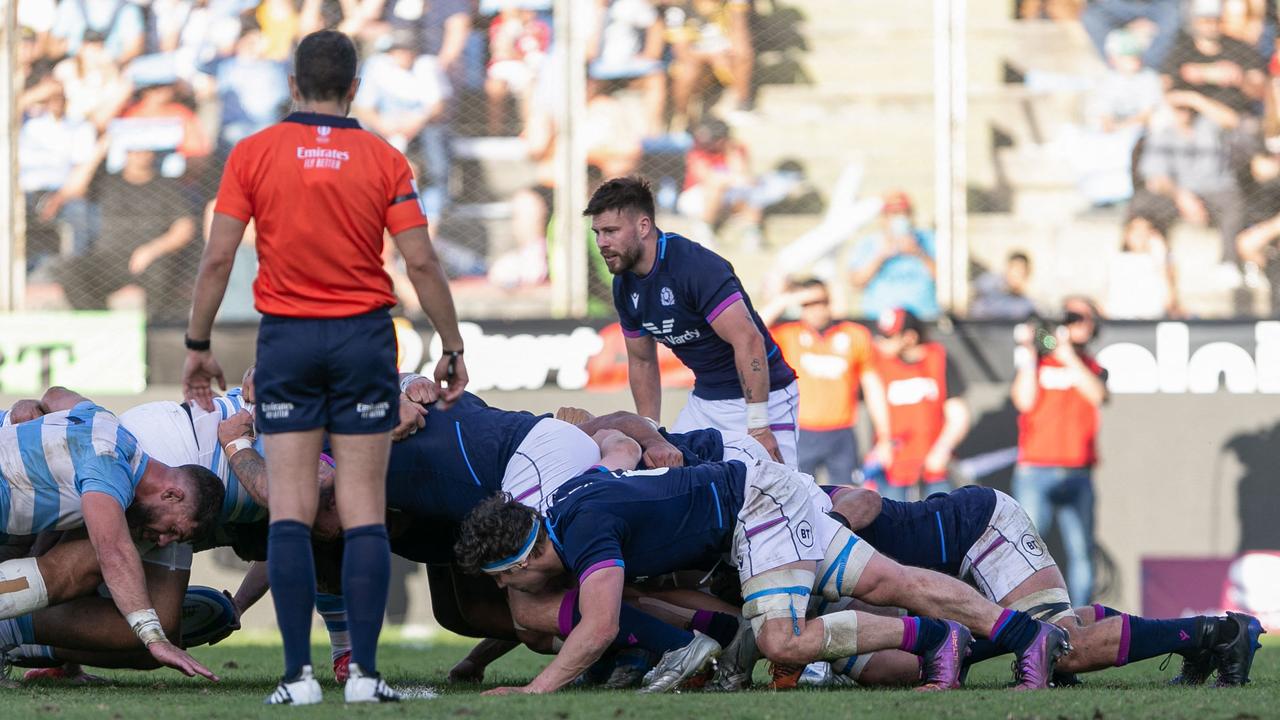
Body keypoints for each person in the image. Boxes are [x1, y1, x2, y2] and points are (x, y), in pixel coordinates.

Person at [180, 30, 469, 705]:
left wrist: (198, 342)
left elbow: (218, 257)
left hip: (287, 342)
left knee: (291, 508)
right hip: (365, 341)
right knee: (364, 510)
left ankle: (296, 679)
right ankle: (364, 677)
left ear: (292, 85)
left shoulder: (254, 153)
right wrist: (452, 345)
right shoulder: (382, 156)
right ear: (356, 88)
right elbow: (421, 261)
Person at [455, 446, 1070, 694]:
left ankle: (941, 638)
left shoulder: (582, 535)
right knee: (893, 583)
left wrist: (536, 691)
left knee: (782, 639)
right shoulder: (560, 509)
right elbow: (617, 450)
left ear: (524, 557)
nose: (507, 592)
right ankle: (1028, 638)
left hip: (757, 506)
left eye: (503, 579)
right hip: (762, 494)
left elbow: (598, 625)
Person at [822, 485, 1264, 687]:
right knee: (884, 670)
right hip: (939, 578)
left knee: (1068, 650)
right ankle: (1018, 633)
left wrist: (830, 529)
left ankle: (1220, 634)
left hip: (977, 529)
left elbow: (866, 499)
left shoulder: (792, 503)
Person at [0, 386, 221, 682]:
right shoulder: (110, 469)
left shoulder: (107, 424)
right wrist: (154, 637)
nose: (164, 540)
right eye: (172, 530)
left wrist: (33, 406)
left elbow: (55, 395)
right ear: (172, 495)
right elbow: (113, 552)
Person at [586, 176, 800, 467]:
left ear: (643, 226)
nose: (602, 243)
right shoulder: (624, 284)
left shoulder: (694, 266)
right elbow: (642, 361)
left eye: (611, 231)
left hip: (765, 399)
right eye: (597, 233)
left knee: (781, 498)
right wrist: (652, 431)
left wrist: (760, 426)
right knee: (668, 475)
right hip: (705, 401)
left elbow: (747, 340)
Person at [1011, 297, 1107, 606]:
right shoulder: (1038, 363)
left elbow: (1097, 395)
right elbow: (1023, 401)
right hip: (1035, 470)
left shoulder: (1091, 366)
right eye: (1069, 318)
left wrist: (1068, 356)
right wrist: (1028, 352)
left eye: (1081, 318)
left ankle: (1080, 620)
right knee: (1024, 551)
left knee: (1081, 551)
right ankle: (1023, 618)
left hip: (1077, 470)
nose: (1074, 324)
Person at [55, 140, 198, 323]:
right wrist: (100, 149)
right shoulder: (108, 181)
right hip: (108, 259)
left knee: (162, 272)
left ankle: (152, 333)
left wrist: (152, 250)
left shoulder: (167, 186)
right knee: (69, 269)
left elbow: (184, 227)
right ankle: (101, 326)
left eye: (144, 148)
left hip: (151, 261)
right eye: (133, 149)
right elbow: (72, 190)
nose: (139, 154)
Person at [762, 278, 889, 485]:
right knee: (798, 493)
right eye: (808, 304)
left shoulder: (855, 335)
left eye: (822, 302)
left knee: (848, 496)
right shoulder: (788, 334)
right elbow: (752, 330)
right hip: (800, 433)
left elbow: (873, 386)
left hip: (842, 432)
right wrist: (786, 300)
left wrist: (885, 435)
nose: (817, 310)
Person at [870, 308, 969, 502]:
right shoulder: (878, 363)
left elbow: (958, 414)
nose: (881, 343)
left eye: (889, 337)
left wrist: (942, 449)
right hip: (894, 468)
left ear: (910, 338)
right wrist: (883, 443)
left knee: (941, 524)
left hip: (934, 467)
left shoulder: (937, 359)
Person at [848, 191, 939, 320]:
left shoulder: (927, 239)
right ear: (884, 217)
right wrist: (881, 257)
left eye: (904, 213)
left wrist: (919, 253)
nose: (900, 218)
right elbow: (856, 282)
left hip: (922, 317)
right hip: (880, 318)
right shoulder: (868, 244)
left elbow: (945, 278)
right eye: (894, 214)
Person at [1106, 214, 1181, 318]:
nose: (1140, 236)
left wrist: (1160, 255)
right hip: (1121, 318)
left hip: (1151, 318)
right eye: (1135, 230)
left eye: (1145, 231)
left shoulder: (1162, 259)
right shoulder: (1117, 259)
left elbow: (1169, 299)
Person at [970, 251, 1037, 320]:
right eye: (1012, 269)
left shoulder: (1027, 306)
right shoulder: (992, 287)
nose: (1014, 275)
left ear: (1026, 274)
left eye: (1019, 271)